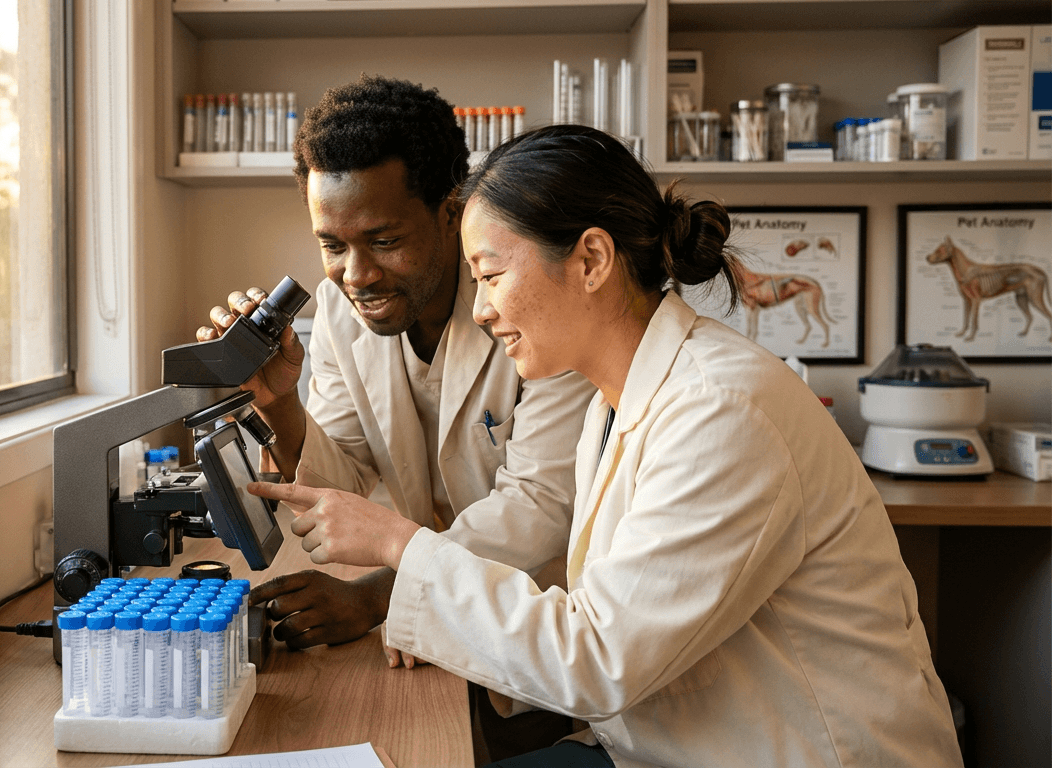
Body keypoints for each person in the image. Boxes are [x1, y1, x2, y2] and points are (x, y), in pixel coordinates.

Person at [249, 125, 964, 768]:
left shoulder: (721, 409)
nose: (481, 309)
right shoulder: (618, 400)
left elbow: (595, 659)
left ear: (591, 258)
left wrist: (402, 551)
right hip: (660, 740)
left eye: (493, 276)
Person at [197, 76, 595, 760]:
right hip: (432, 626)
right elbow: (342, 478)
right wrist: (279, 400)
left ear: (452, 212)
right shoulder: (340, 313)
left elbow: (539, 507)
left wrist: (379, 594)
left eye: (383, 240)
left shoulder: (530, 305)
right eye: (332, 244)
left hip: (542, 648)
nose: (356, 274)